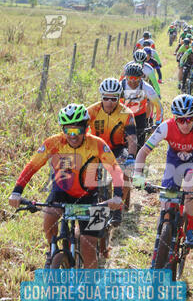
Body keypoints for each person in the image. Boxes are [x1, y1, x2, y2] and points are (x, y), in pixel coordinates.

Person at [8, 104, 123, 269]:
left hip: (89, 196)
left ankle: (92, 291)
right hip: (61, 192)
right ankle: (52, 250)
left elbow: (115, 169)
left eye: (78, 130)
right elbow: (32, 166)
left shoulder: (97, 144)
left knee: (88, 246)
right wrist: (16, 191)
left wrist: (117, 195)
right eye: (68, 131)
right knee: (49, 219)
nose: (73, 136)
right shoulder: (53, 143)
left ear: (86, 128)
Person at [132, 94, 193, 247]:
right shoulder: (166, 127)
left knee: (189, 189)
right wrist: (138, 174)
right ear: (174, 118)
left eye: (189, 119)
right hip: (174, 164)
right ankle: (164, 232)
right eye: (181, 120)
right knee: (166, 205)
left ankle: (191, 229)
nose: (185, 124)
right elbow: (142, 152)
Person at [88, 78, 137, 210]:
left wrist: (131, 156)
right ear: (101, 97)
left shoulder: (127, 113)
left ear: (119, 98)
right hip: (96, 149)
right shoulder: (92, 111)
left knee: (127, 169)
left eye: (114, 99)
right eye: (106, 98)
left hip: (117, 149)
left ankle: (119, 204)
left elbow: (132, 139)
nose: (109, 102)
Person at [120, 62, 163, 150]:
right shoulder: (120, 86)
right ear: (126, 77)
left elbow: (158, 106)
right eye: (129, 78)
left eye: (135, 78)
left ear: (141, 78)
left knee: (140, 146)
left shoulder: (146, 87)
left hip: (140, 116)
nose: (132, 81)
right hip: (124, 116)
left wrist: (158, 123)